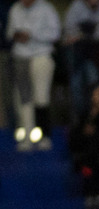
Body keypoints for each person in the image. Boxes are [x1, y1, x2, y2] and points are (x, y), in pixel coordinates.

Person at [6, 0, 59, 151]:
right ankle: (27, 136)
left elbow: (55, 33)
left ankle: (44, 135)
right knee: (24, 98)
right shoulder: (15, 8)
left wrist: (32, 35)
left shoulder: (46, 8)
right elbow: (9, 32)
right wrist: (17, 35)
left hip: (41, 55)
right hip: (20, 56)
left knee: (41, 97)